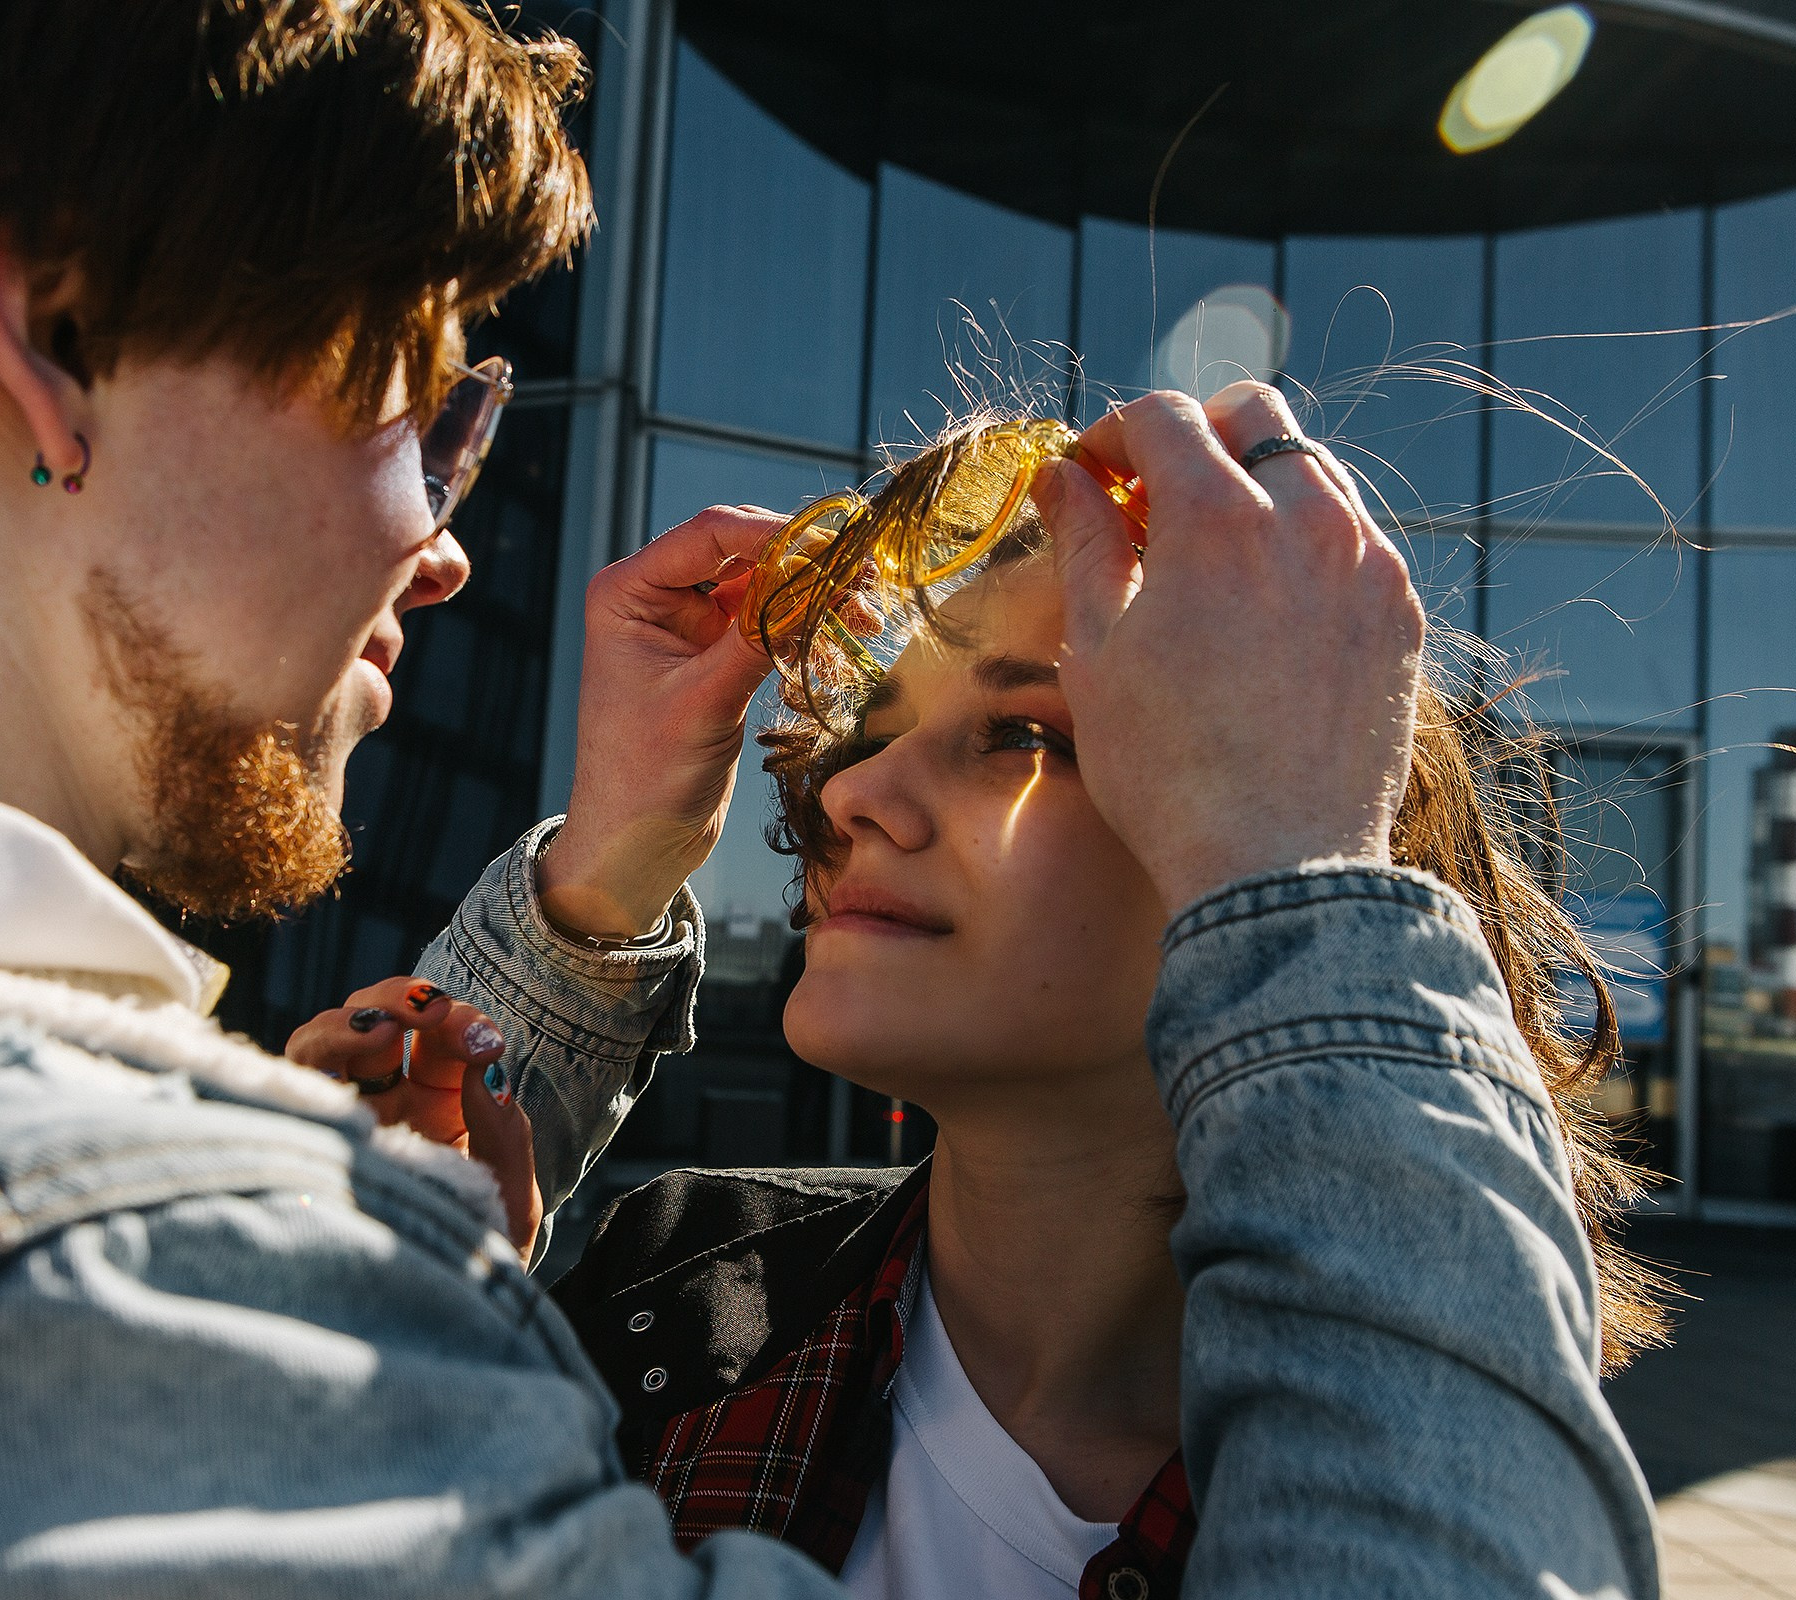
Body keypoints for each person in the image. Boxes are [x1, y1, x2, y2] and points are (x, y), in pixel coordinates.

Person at [0, 2, 1654, 1596]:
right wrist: (1300, 880)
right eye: (422, 396)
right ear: (55, 330)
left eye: (1024, 728)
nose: (447, 537)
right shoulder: (98, 1283)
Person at [553, 404, 1668, 1600]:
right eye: (871, 730)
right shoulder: (665, 1285)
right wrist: (590, 892)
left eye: (1023, 734)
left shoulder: (1441, 1472)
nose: (857, 791)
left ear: (1278, 819)